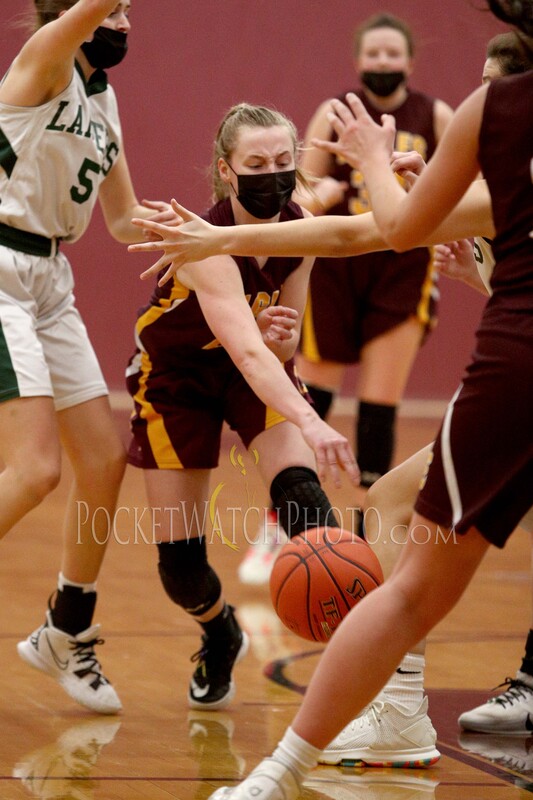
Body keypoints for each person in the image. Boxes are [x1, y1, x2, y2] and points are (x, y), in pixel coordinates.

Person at [201, 0, 533, 792]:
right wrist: (222, 239)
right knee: (386, 497)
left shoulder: (503, 109)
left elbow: (385, 226)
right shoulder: (497, 174)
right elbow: (348, 233)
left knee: (412, 583)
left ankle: (283, 770)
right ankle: (400, 712)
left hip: (520, 360)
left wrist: (373, 159)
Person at [126, 102, 358, 711]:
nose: (273, 174)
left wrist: (283, 334)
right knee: (181, 570)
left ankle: (353, 666)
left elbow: (280, 342)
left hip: (248, 372)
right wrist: (312, 418)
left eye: (285, 161)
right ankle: (219, 629)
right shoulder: (205, 241)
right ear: (227, 172)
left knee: (306, 501)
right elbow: (248, 355)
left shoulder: (298, 228)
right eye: (257, 163)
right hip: (178, 381)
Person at [1, 0, 179, 715]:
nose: (126, 21)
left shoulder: (103, 101)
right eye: (115, 8)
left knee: (105, 462)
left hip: (52, 280)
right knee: (38, 468)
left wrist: (207, 233)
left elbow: (119, 215)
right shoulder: (43, 60)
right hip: (3, 268)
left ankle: (64, 628)